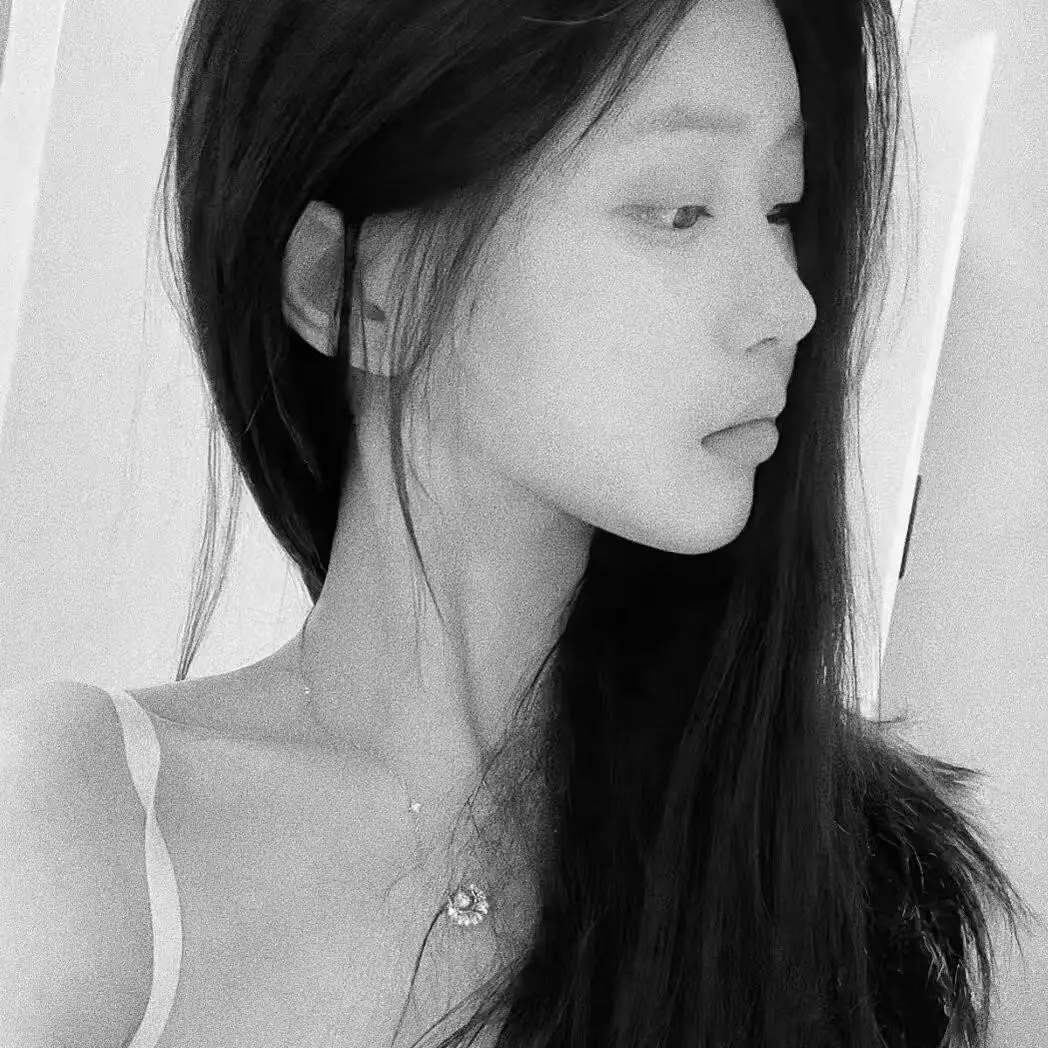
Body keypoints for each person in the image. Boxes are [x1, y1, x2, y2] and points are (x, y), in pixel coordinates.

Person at [1, 0, 1037, 1044]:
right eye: (679, 210)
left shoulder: (859, 882)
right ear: (354, 287)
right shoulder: (83, 827)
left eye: (781, 204)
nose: (790, 304)